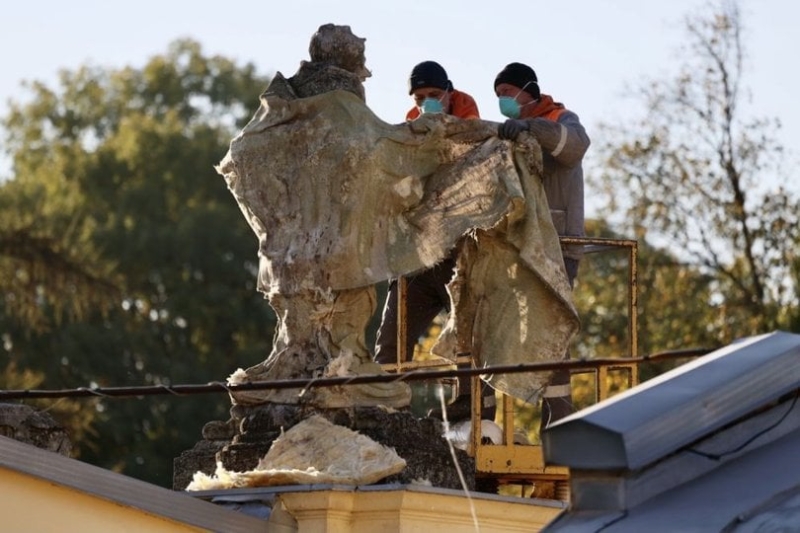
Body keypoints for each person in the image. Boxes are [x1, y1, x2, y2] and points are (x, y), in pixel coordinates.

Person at [374, 61, 494, 421]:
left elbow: (466, 163)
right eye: (420, 97)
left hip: (459, 254)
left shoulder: (471, 121)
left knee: (468, 335)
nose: (427, 103)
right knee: (392, 335)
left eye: (433, 96)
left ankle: (473, 407)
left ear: (449, 92)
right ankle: (386, 408)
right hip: (415, 256)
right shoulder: (409, 128)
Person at [493, 62, 591, 430]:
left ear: (527, 90)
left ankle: (559, 419)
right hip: (522, 246)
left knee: (551, 326)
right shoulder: (509, 131)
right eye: (498, 96)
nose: (503, 101)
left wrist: (531, 128)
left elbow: (574, 147)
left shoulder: (561, 118)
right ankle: (489, 417)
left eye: (507, 93)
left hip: (558, 245)